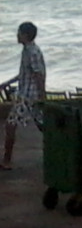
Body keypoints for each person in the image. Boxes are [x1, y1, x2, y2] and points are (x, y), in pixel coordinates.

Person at [2, 22, 46, 170]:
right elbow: (25, 73)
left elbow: (39, 75)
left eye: (19, 33)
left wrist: (42, 97)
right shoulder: (28, 50)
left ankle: (7, 160)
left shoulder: (32, 52)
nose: (17, 35)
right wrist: (7, 83)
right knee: (43, 125)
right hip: (28, 95)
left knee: (10, 125)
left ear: (25, 35)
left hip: (28, 97)